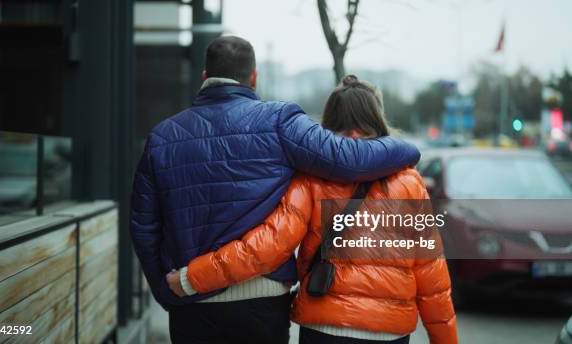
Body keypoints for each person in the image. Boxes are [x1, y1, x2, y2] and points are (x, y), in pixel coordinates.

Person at [130, 34, 420, 344]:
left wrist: (167, 292)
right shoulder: (279, 120)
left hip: (190, 299)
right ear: (252, 78)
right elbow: (349, 158)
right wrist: (408, 150)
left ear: (204, 77)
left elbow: (144, 228)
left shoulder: (162, 137)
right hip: (263, 301)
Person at [169, 75, 457, 344]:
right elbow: (432, 275)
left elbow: (267, 246)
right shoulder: (409, 182)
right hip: (390, 331)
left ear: (329, 119)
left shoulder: (311, 179)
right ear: (377, 117)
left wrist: (191, 277)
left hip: (325, 326)